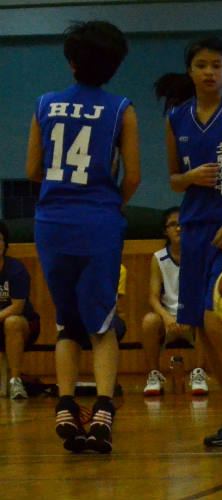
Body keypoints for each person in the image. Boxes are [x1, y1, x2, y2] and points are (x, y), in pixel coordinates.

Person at [25, 21, 140, 453]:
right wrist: (112, 206)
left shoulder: (44, 104)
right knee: (102, 322)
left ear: (70, 62)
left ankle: (66, 404)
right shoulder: (121, 109)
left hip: (52, 221)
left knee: (65, 321)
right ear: (114, 66)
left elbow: (34, 171)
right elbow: (133, 176)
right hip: (100, 221)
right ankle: (105, 408)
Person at [154, 36, 222, 451]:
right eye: (202, 64)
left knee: (220, 321)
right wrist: (189, 179)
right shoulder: (176, 119)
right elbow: (172, 179)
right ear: (191, 71)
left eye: (217, 65)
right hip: (195, 228)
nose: (209, 71)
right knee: (202, 328)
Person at [142, 207, 209, 396]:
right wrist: (166, 317)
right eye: (173, 225)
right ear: (165, 231)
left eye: (183, 225)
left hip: (192, 319)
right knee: (149, 321)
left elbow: (203, 293)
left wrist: (190, 316)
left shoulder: (199, 255)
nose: (179, 229)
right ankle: (154, 375)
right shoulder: (159, 258)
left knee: (207, 317)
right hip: (168, 321)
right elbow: (153, 297)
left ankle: (199, 374)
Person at [0, 221, 41, 399]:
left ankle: (16, 382)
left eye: (0, 239)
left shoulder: (15, 269)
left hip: (24, 325)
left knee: (12, 322)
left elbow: (17, 307)